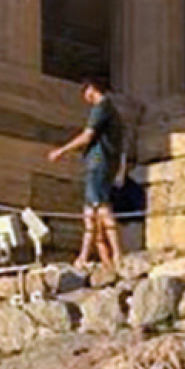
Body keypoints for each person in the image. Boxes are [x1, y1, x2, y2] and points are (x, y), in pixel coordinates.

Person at [48, 78, 124, 270]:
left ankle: (117, 253)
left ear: (91, 89)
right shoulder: (112, 110)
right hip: (102, 163)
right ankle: (86, 255)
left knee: (102, 207)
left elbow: (87, 135)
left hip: (99, 162)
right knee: (90, 211)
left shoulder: (102, 107)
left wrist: (62, 150)